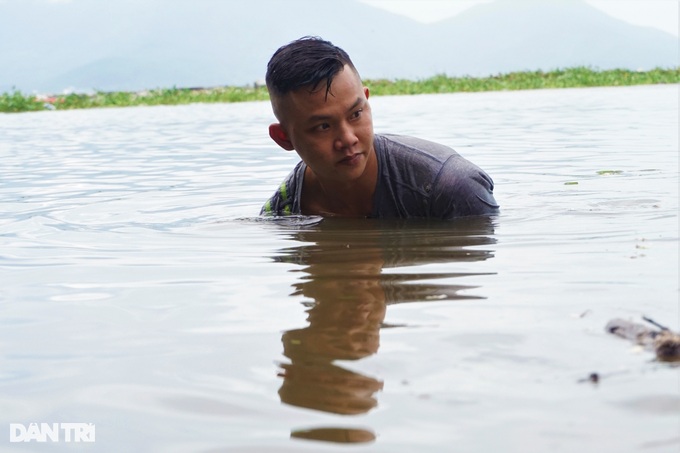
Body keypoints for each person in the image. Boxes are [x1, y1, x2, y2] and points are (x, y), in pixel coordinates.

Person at [260, 36, 499, 219]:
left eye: (356, 114)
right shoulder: (284, 209)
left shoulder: (450, 186)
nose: (348, 138)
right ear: (283, 138)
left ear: (367, 100)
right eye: (323, 126)